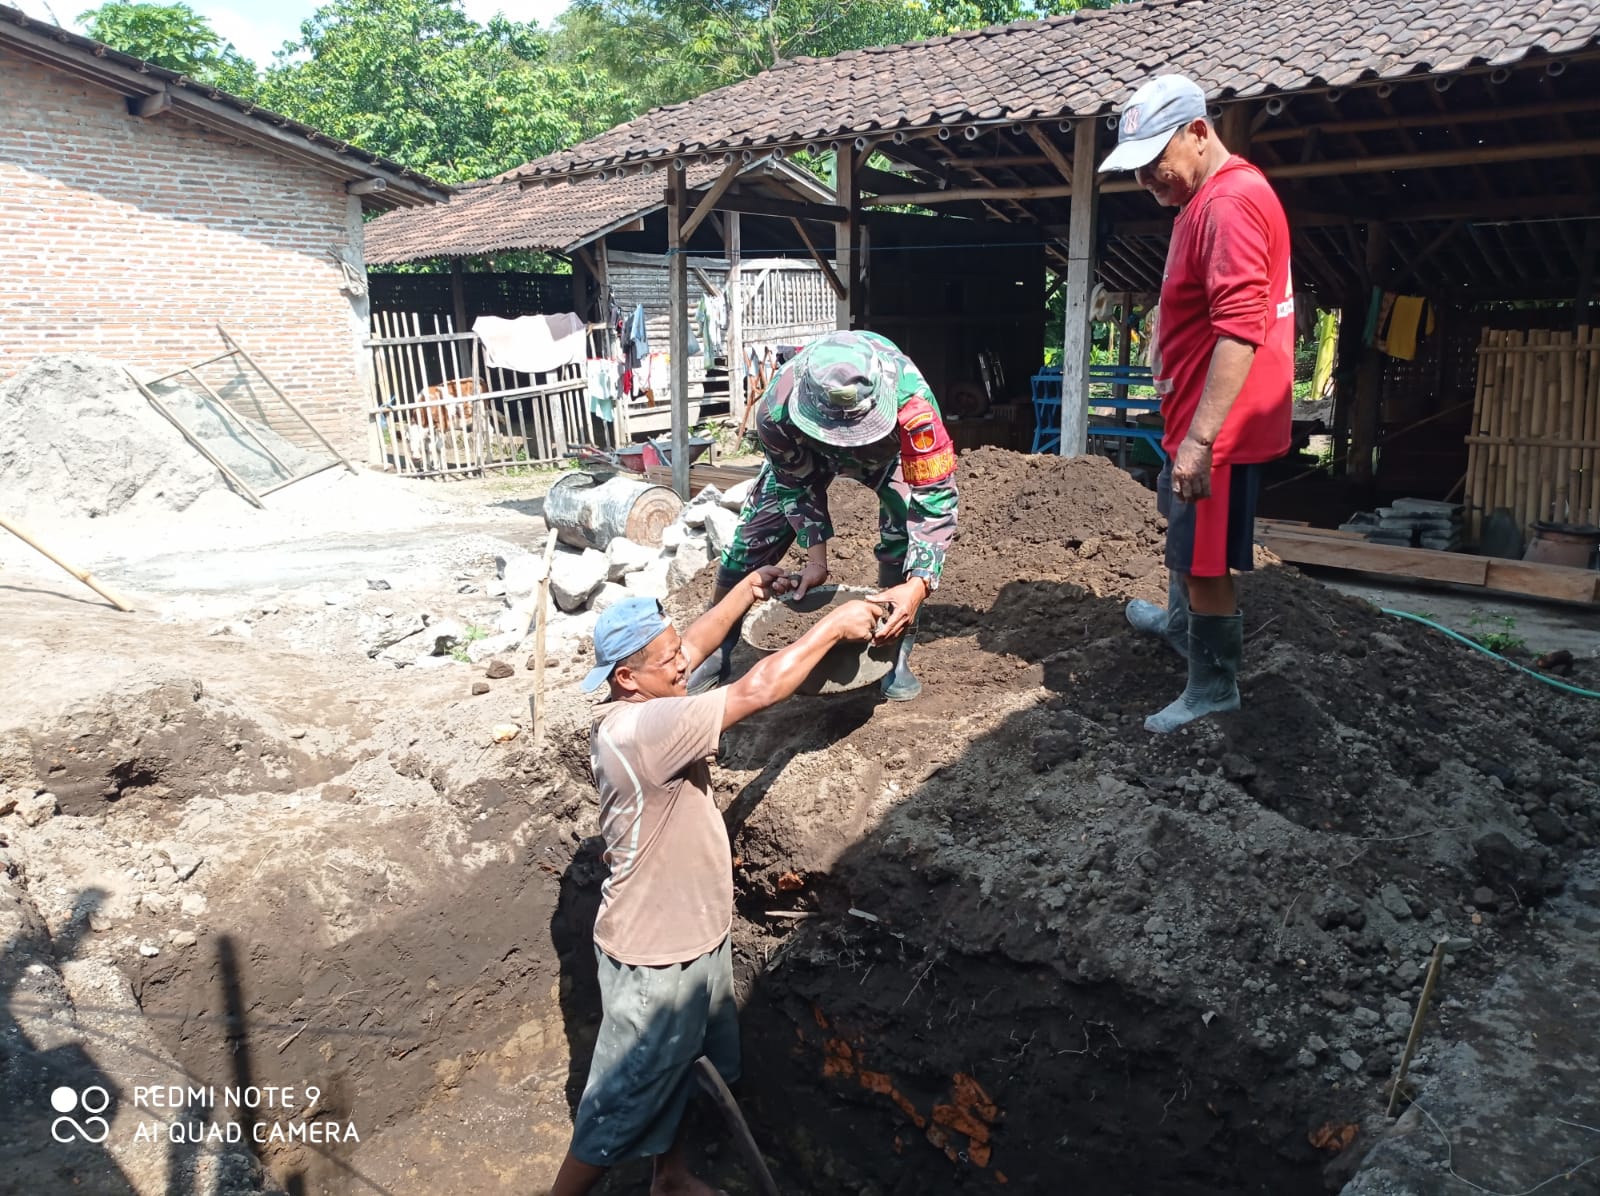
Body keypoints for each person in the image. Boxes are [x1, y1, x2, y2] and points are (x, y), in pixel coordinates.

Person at [549, 580, 883, 1196]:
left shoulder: (651, 691)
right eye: (668, 658)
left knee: (676, 1073)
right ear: (626, 678)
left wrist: (750, 590)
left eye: (678, 648)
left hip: (696, 935)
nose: (684, 662)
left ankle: (670, 1179)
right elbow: (757, 688)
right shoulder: (647, 730)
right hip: (655, 959)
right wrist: (834, 627)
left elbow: (694, 646)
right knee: (618, 1106)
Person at [1098, 73, 1294, 733]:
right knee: (1183, 537)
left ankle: (1212, 685)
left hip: (1223, 429)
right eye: (1138, 169)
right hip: (1196, 417)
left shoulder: (1231, 203)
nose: (1147, 178)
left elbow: (1242, 329)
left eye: (1156, 162)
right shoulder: (1201, 200)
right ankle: (1182, 625)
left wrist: (1203, 440)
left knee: (1205, 557)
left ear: (1199, 133)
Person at [687, 329, 959, 702]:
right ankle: (716, 645)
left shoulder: (913, 405)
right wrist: (816, 560)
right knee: (752, 538)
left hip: (884, 454)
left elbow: (935, 499)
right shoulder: (775, 411)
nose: (842, 439)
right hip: (807, 452)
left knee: (904, 525)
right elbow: (796, 485)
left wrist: (918, 586)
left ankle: (895, 650)